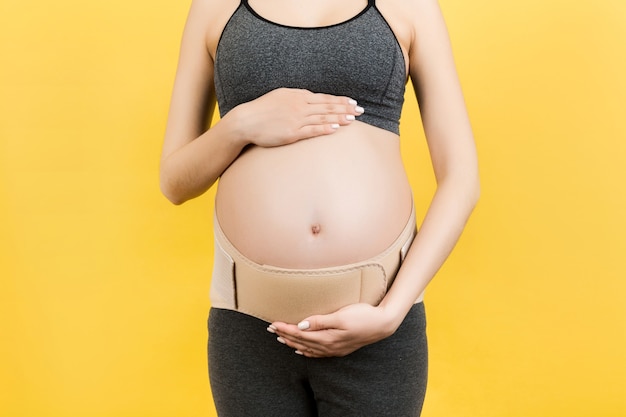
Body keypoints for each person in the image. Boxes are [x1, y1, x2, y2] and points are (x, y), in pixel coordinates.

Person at [160, 0, 479, 414]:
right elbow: (174, 182)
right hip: (249, 325)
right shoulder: (214, 7)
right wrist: (238, 125)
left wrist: (391, 313)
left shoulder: (409, 6)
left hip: (378, 324)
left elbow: (462, 179)